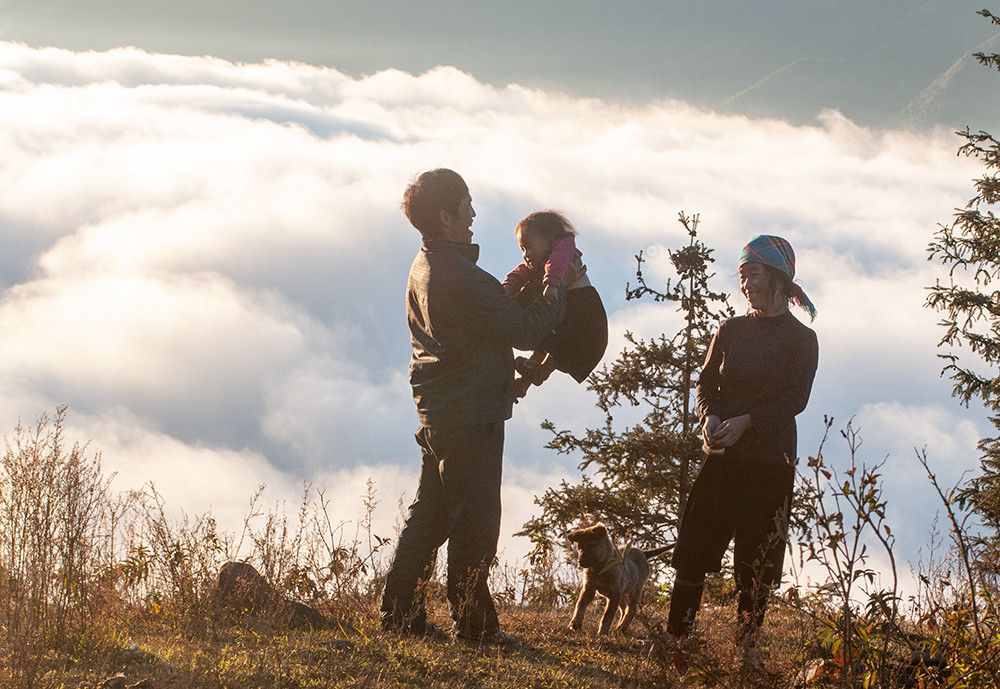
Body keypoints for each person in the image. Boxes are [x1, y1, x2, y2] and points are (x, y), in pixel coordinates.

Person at [379, 169, 566, 644]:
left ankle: (401, 615)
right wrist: (555, 281)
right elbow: (525, 328)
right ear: (446, 217)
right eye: (466, 205)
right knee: (474, 524)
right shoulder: (460, 275)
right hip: (470, 415)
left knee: (432, 514)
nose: (474, 214)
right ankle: (475, 625)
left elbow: (476, 330)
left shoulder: (424, 265)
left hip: (439, 408)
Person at [663, 234, 819, 666]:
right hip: (723, 458)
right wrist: (708, 417)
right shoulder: (730, 330)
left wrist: (747, 421)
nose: (745, 284)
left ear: (776, 278)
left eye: (751, 274)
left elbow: (795, 400)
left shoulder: (801, 340)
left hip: (770, 463)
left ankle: (744, 647)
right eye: (741, 275)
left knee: (758, 559)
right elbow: (705, 382)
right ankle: (676, 637)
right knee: (695, 546)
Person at [501, 211, 608, 398]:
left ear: (550, 240)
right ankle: (525, 381)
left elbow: (557, 263)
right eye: (522, 249)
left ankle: (542, 371)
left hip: (584, 312)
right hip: (567, 312)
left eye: (528, 247)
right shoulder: (537, 265)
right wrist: (505, 291)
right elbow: (518, 274)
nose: (525, 254)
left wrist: (552, 283)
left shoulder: (563, 251)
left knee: (562, 343)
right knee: (546, 336)